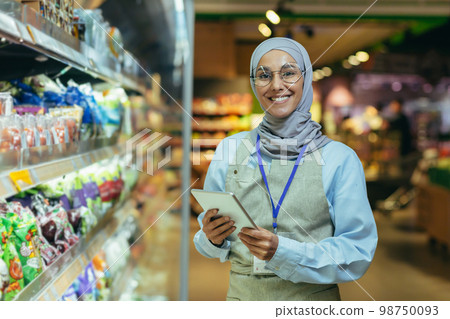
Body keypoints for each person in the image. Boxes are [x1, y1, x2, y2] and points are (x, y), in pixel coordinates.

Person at [193, 37, 377, 301]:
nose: (276, 85)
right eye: (264, 75)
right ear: (253, 83)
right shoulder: (229, 150)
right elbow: (207, 240)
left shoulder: (339, 159)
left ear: (305, 78)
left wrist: (284, 252)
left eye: (288, 73)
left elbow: (357, 252)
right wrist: (212, 239)